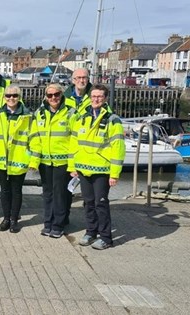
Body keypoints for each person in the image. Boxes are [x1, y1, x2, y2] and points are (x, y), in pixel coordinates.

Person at [69, 84, 125, 250]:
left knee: (101, 203)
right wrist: (72, 166)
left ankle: (106, 237)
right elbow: (74, 142)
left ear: (105, 98)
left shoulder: (112, 120)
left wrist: (114, 174)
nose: (96, 99)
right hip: (83, 168)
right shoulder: (82, 117)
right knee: (88, 203)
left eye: (100, 96)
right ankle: (91, 232)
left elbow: (118, 148)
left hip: (101, 170)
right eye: (93, 96)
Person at [29, 83, 76, 238]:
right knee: (47, 194)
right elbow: (35, 138)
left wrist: (72, 164)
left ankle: (58, 225)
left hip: (63, 163)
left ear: (61, 95)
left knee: (60, 194)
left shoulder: (70, 113)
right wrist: (34, 161)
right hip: (45, 162)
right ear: (45, 97)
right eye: (50, 95)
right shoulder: (39, 113)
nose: (53, 98)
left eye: (56, 94)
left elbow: (75, 140)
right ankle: (48, 223)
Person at [0, 84, 32, 233]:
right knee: (4, 191)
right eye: (8, 96)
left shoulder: (28, 116)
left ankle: (14, 219)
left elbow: (34, 140)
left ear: (19, 97)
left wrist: (32, 160)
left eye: (15, 96)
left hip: (19, 160)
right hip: (1, 160)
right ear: (4, 98)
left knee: (16, 190)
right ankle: (6, 218)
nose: (11, 98)